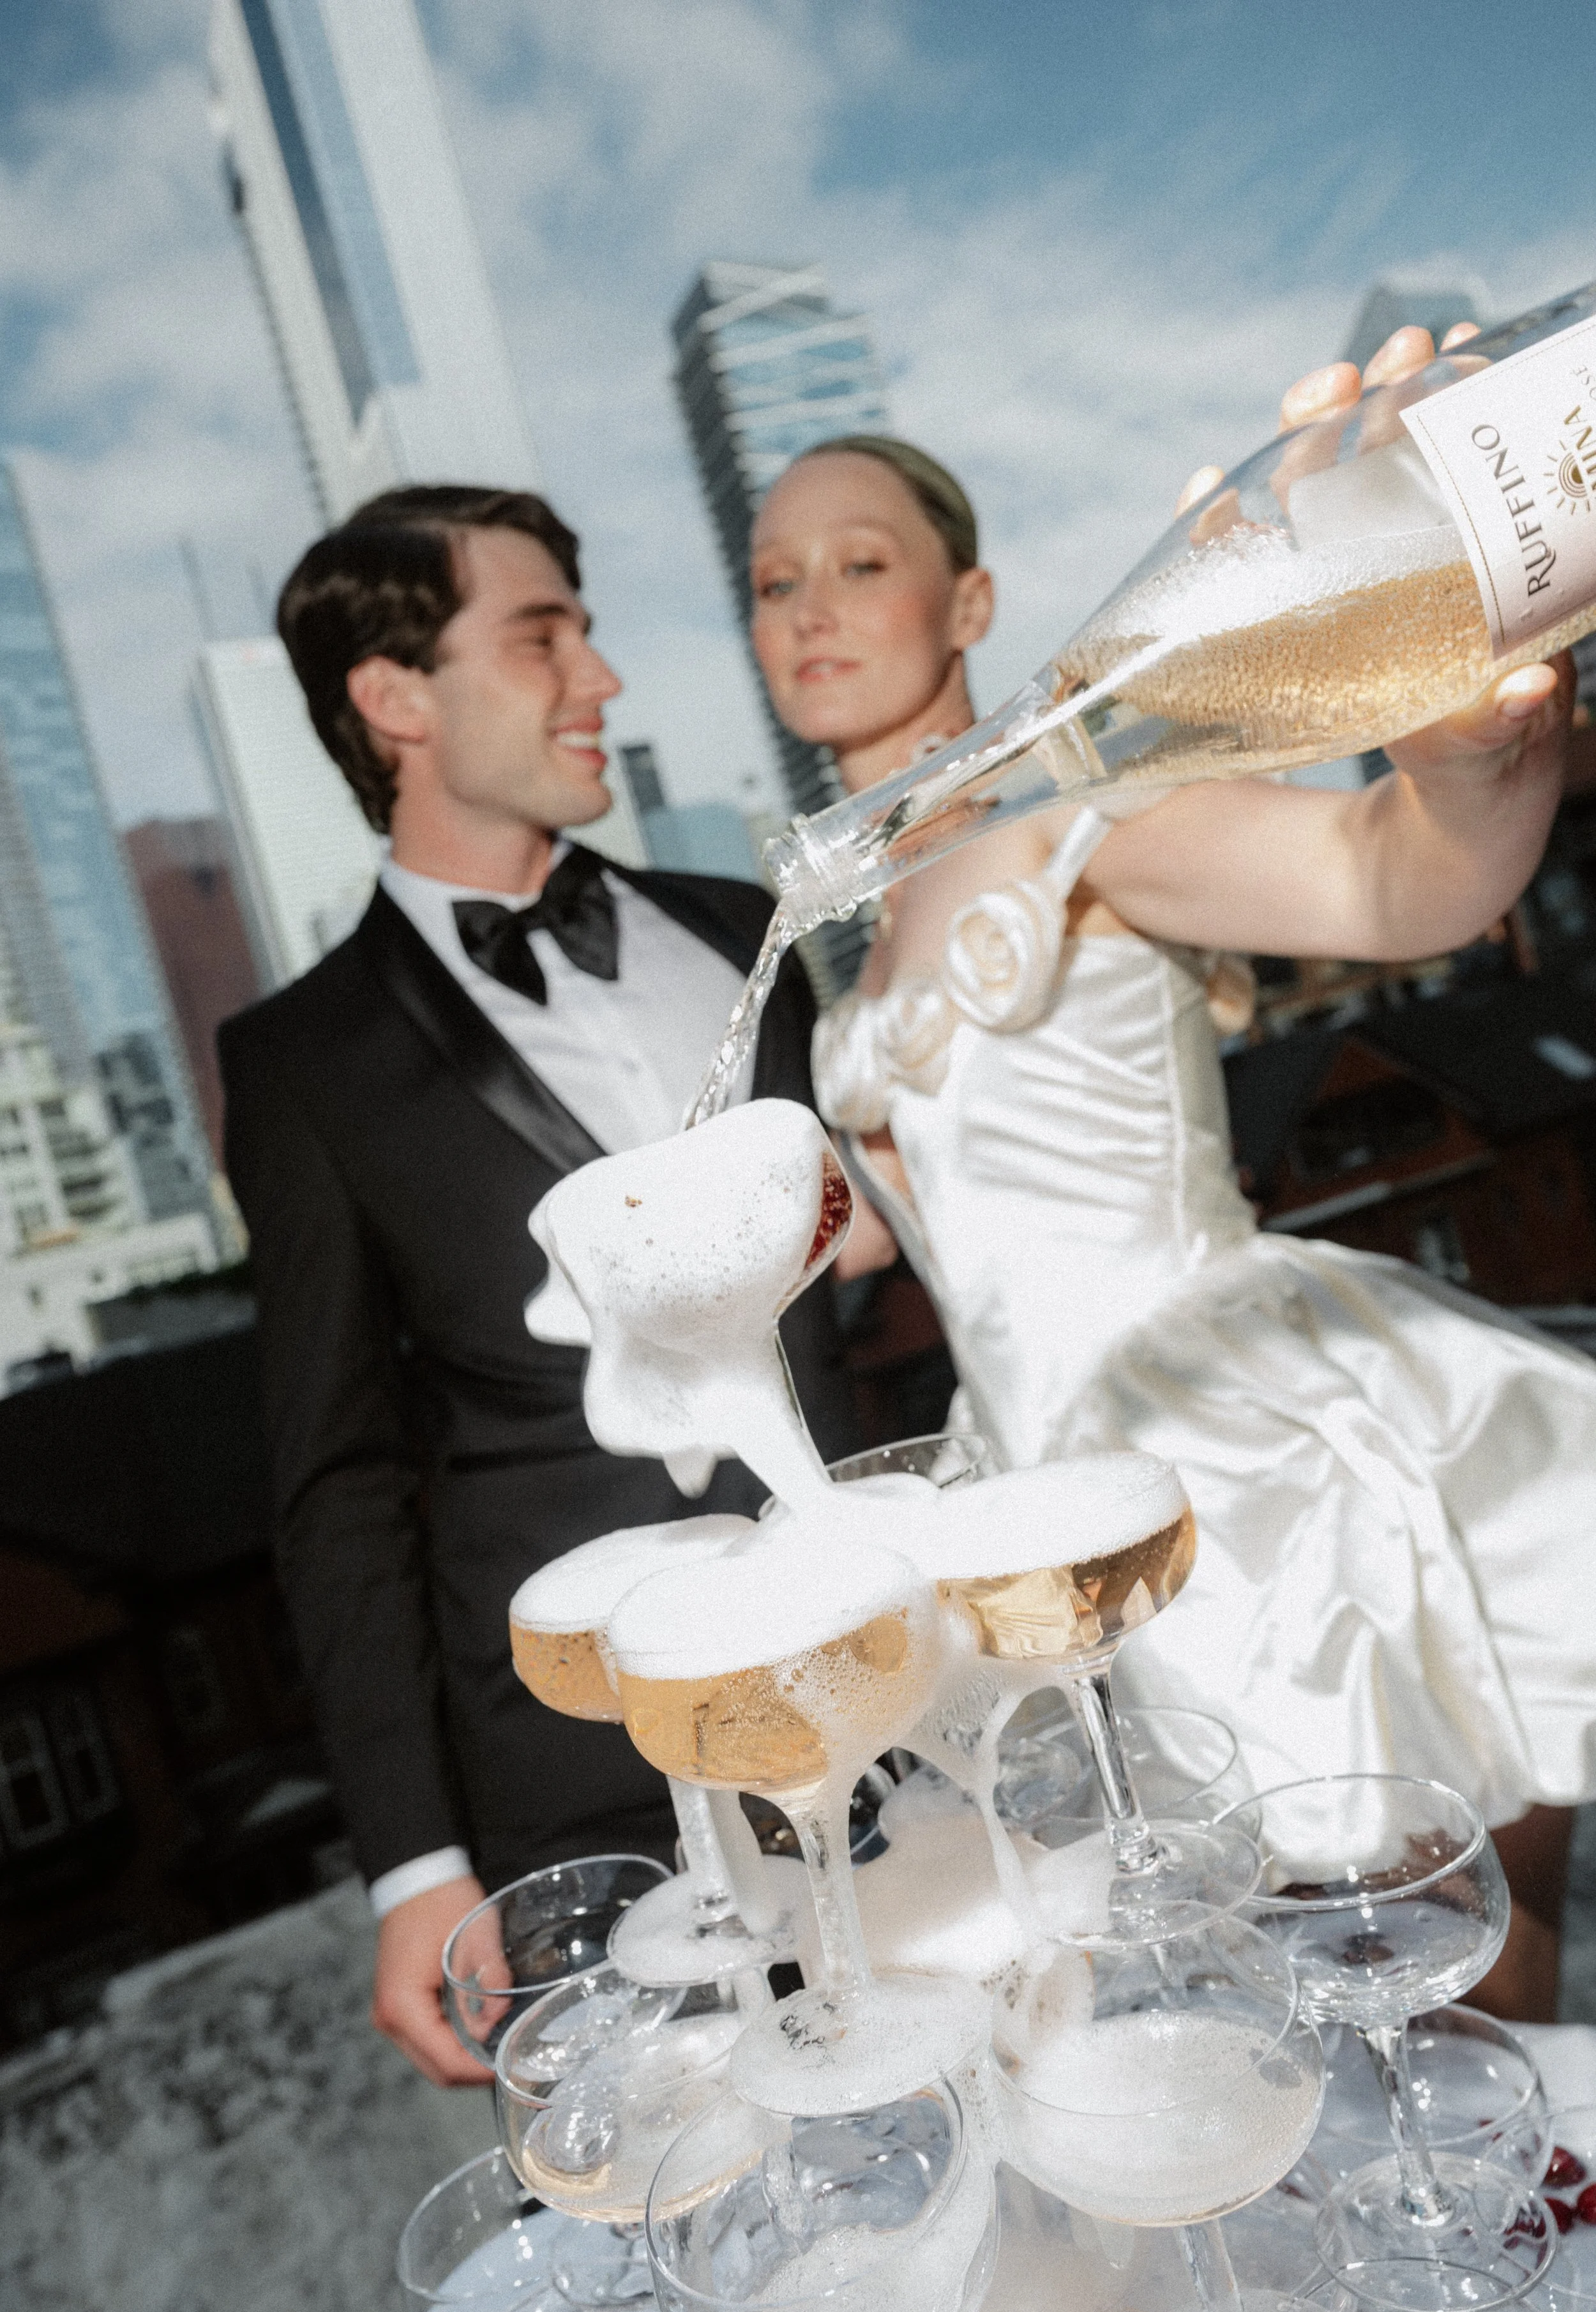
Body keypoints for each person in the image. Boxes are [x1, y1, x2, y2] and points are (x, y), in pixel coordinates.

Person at [750, 328, 1596, 2019]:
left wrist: (1463, 761)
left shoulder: (1080, 810)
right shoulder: (863, 920)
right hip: (1032, 1506)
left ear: (969, 604)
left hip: (1229, 1445)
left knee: (1437, 1965)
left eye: (863, 563)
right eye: (773, 583)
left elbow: (1390, 884)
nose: (813, 610)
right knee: (1260, 2013)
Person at [219, 485, 858, 2085]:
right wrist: (411, 1861)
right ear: (394, 699)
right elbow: (338, 1481)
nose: (601, 679)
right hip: (582, 1774)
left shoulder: (745, 932)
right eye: (541, 635)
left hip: (876, 1685)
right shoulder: (301, 1066)